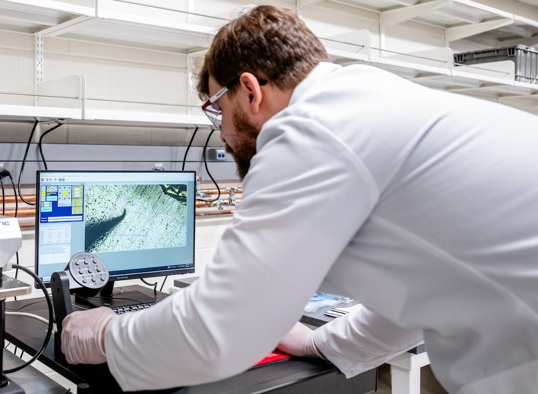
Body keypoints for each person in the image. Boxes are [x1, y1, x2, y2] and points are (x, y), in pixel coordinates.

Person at [59, 4, 538, 394]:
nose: (222, 133)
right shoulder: (371, 102)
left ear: (249, 90)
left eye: (217, 110)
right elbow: (422, 294)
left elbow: (217, 333)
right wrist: (318, 343)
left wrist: (101, 333)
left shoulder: (311, 127)